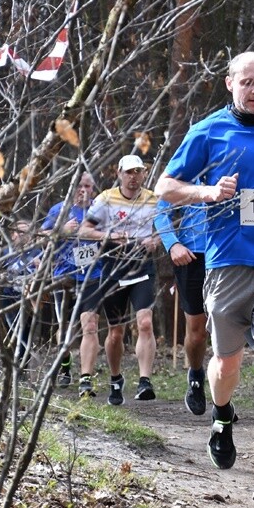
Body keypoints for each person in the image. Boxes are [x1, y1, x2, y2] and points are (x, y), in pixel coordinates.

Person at [155, 51, 254, 502]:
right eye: (247, 82)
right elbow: (165, 187)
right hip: (228, 265)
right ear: (229, 83)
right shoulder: (207, 131)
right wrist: (206, 191)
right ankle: (223, 415)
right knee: (227, 364)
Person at [78, 154, 162, 406]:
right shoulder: (105, 199)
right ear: (119, 173)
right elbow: (84, 230)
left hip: (142, 266)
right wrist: (110, 236)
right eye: (129, 172)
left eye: (138, 171)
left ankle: (145, 380)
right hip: (114, 268)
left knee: (145, 322)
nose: (133, 177)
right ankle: (116, 378)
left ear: (144, 174)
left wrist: (155, 242)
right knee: (116, 333)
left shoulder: (153, 199)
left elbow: (165, 232)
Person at [41, 172, 103, 393]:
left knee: (90, 325)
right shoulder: (59, 210)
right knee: (65, 328)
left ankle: (86, 378)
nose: (83, 190)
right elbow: (42, 236)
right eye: (79, 185)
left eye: (88, 185)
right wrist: (61, 230)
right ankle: (65, 365)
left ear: (93, 189)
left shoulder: (99, 209)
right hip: (64, 276)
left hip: (92, 276)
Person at [155, 195, 210, 415]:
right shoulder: (189, 166)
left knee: (231, 328)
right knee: (197, 333)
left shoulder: (238, 164)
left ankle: (224, 397)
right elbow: (161, 212)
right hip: (193, 256)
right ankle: (196, 374)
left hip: (230, 253)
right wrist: (173, 244)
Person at [0, 221, 42, 367]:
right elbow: (0, 274)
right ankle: (10, 364)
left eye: (27, 232)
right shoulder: (6, 252)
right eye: (20, 232)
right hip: (9, 295)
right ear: (13, 235)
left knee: (25, 330)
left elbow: (43, 275)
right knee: (11, 330)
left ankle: (23, 365)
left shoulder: (38, 252)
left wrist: (39, 267)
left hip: (28, 297)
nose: (24, 236)